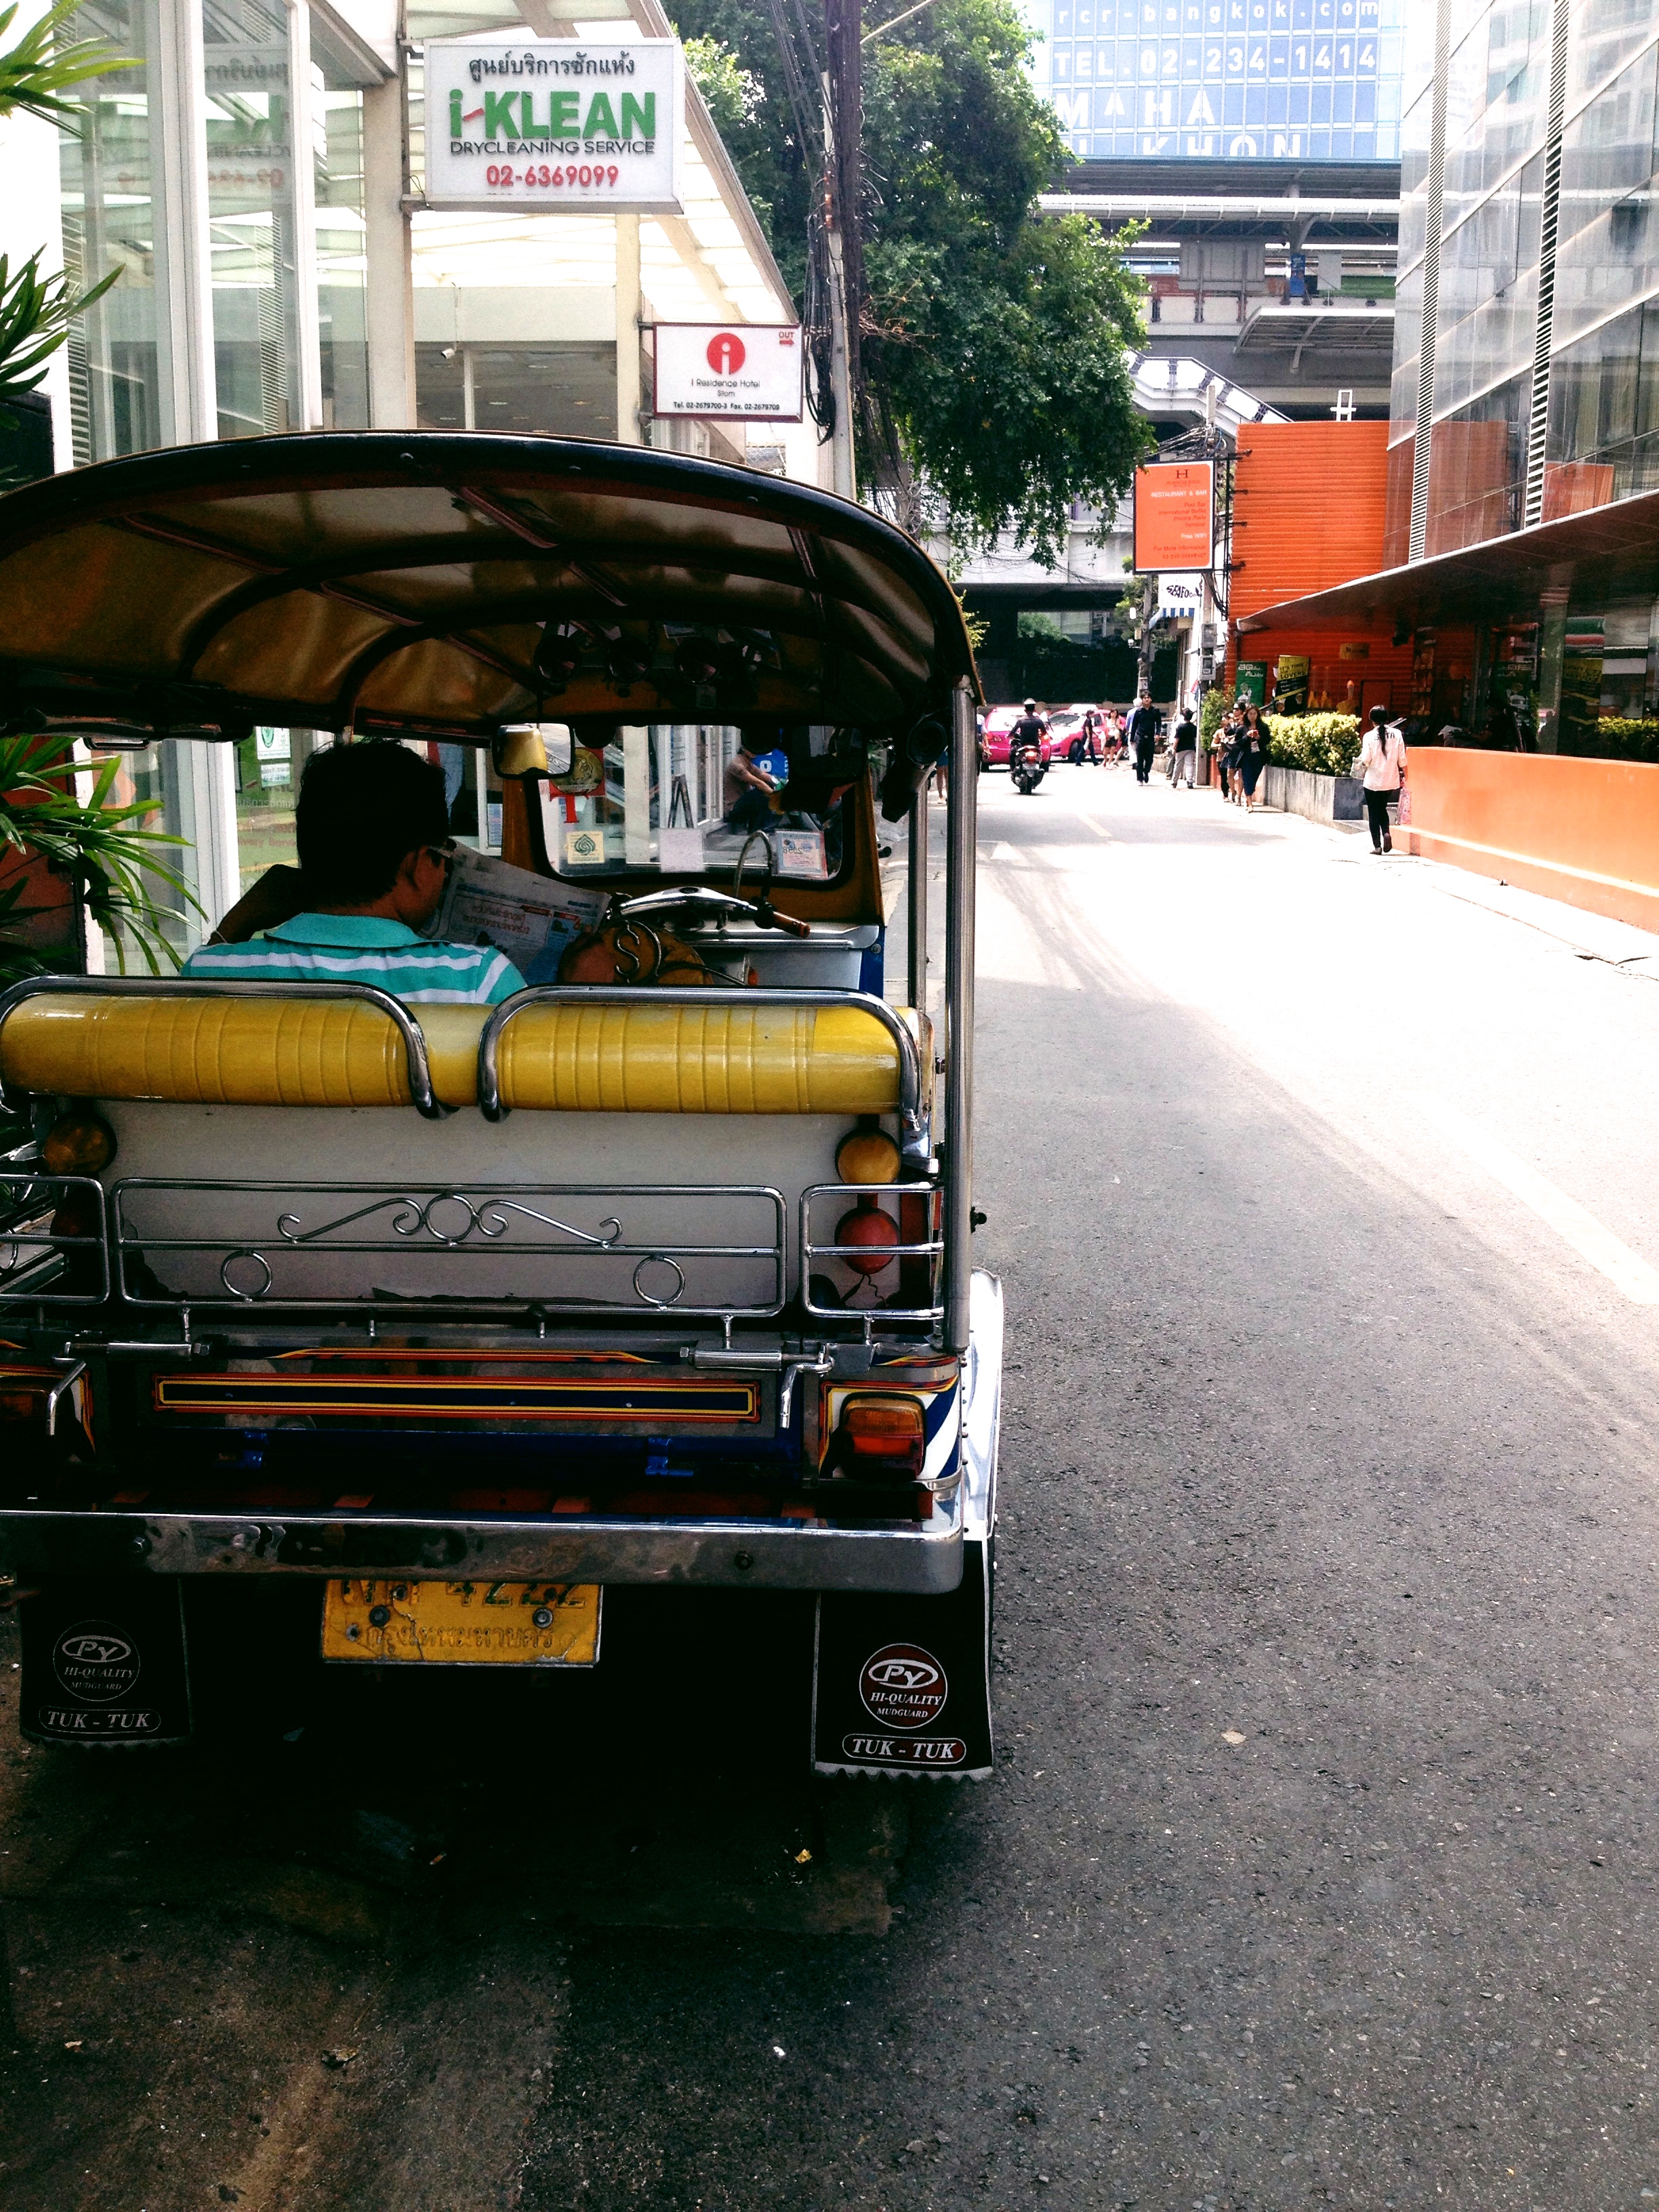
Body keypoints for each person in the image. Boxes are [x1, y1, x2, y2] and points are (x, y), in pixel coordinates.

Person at [183, 739, 527, 1004]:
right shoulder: (479, 981)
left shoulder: (210, 975)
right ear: (420, 865)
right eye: (444, 857)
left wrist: (237, 924)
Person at [1357, 702, 1408, 853]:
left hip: (1373, 782)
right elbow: (1402, 760)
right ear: (1387, 718)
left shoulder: (1368, 736)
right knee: (1382, 808)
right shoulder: (1397, 734)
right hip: (1390, 781)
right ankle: (1386, 832)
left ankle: (1377, 846)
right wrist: (1407, 777)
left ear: (1371, 720)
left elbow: (1366, 760)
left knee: (1374, 812)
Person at [723, 741, 781, 832]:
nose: (754, 751)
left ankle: (758, 828)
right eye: (751, 748)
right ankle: (760, 829)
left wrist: (781, 782)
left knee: (768, 788)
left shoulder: (749, 764)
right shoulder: (737, 766)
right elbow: (757, 783)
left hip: (745, 805)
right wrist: (776, 796)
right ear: (743, 749)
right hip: (733, 808)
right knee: (761, 795)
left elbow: (762, 775)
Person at [1237, 702, 1269, 812]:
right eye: (1250, 714)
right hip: (1246, 756)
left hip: (1258, 756)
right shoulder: (1242, 728)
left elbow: (1267, 740)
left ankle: (1248, 796)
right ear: (1246, 715)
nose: (1252, 716)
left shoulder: (1263, 727)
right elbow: (1238, 743)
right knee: (1247, 778)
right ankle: (1250, 803)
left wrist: (1258, 737)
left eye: (1254, 714)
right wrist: (1247, 736)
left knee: (1254, 778)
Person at [1127, 691, 1160, 783]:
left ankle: (1146, 772)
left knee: (1149, 759)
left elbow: (1159, 723)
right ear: (1142, 700)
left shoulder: (1155, 711)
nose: (1147, 699)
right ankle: (1140, 778)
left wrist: (1158, 734)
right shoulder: (1138, 711)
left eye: (1148, 698)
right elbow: (1134, 725)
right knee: (1140, 759)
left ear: (1151, 699)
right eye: (1145, 698)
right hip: (1140, 737)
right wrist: (1132, 738)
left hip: (1150, 738)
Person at [1170, 702, 1199, 787]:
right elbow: (1195, 738)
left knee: (1178, 765)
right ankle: (1190, 781)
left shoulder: (1180, 727)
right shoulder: (1193, 727)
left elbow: (1177, 738)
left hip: (1181, 748)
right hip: (1190, 747)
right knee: (1190, 764)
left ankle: (1174, 781)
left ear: (1183, 717)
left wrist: (1173, 748)